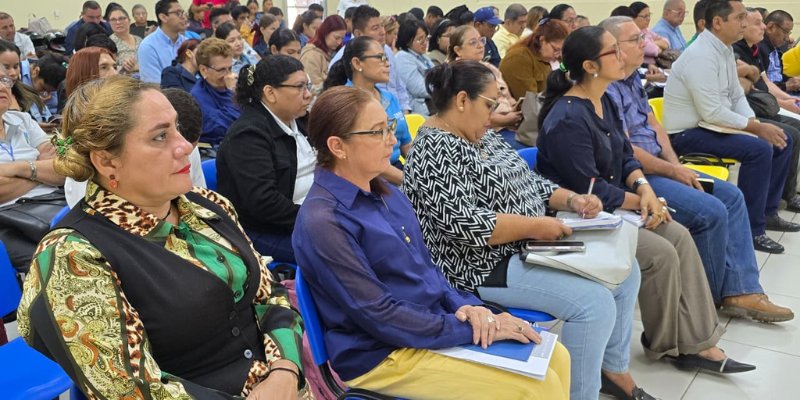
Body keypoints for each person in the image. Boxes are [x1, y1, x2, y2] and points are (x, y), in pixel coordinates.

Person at [18, 75, 309, 399]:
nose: (185, 145)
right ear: (106, 160)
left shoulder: (206, 206)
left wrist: (284, 369)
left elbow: (269, 295)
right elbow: (134, 388)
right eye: (160, 136)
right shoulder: (74, 257)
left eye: (177, 128)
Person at [294, 84, 570, 400]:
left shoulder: (386, 194)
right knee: (534, 388)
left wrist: (470, 307)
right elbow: (380, 316)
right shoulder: (324, 220)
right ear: (338, 146)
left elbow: (428, 273)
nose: (392, 141)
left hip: (427, 326)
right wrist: (469, 328)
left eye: (390, 128)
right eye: (377, 132)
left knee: (556, 356)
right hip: (383, 354)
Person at [401, 60, 644, 400]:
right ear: (460, 100)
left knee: (625, 273)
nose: (495, 113)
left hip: (523, 245)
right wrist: (537, 226)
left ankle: (611, 370)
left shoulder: (480, 135)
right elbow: (470, 226)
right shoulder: (434, 150)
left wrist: (572, 200)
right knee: (594, 305)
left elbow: (529, 181)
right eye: (489, 104)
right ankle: (579, 393)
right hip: (479, 265)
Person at [536, 24, 755, 384]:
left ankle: (699, 342)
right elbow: (587, 188)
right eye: (614, 51)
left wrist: (645, 189)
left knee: (679, 235)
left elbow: (624, 156)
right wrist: (639, 200)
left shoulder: (603, 99)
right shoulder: (567, 117)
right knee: (659, 253)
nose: (624, 56)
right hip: (579, 214)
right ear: (590, 66)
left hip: (615, 206)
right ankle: (667, 342)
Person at [603, 15, 794, 322]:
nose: (645, 44)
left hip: (663, 163)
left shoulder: (630, 81)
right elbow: (625, 150)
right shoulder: (606, 88)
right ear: (612, 48)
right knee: (712, 210)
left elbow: (654, 126)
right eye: (636, 40)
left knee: (731, 196)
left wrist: (676, 165)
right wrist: (672, 171)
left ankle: (741, 289)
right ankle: (711, 296)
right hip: (637, 176)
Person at [663, 0, 799, 253]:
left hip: (709, 125)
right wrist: (755, 129)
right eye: (739, 18)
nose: (745, 23)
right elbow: (711, 112)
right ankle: (751, 229)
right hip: (687, 133)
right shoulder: (701, 55)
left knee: (782, 140)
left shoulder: (723, 49)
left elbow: (736, 96)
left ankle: (768, 212)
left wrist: (755, 123)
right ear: (718, 22)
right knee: (759, 149)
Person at [217, 55, 313, 263]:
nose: (308, 95)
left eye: (308, 85)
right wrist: (318, 219)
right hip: (266, 231)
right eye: (299, 87)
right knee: (343, 253)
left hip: (308, 215)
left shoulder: (300, 120)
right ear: (270, 93)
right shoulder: (248, 135)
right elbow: (263, 203)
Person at [0, 64, 66, 273]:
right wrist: (40, 169)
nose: (2, 87)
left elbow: (63, 167)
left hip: (53, 203)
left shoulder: (22, 119)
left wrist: (17, 168)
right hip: (7, 219)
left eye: (4, 80)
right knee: (53, 264)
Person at [733, 8, 800, 213]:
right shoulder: (735, 50)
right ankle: (774, 200)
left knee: (794, 129)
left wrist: (787, 100)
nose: (762, 27)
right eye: (758, 23)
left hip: (759, 103)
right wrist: (783, 102)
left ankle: (784, 194)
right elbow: (745, 88)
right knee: (789, 135)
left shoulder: (753, 49)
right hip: (749, 108)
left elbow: (764, 82)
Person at [325, 36, 411, 186]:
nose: (387, 63)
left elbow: (406, 144)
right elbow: (364, 160)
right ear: (357, 63)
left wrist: (421, 173)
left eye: (386, 57)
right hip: (369, 178)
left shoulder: (389, 98)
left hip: (397, 171)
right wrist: (411, 181)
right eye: (380, 57)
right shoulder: (345, 103)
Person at [330, 5, 411, 113]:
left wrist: (405, 111)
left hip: (396, 112)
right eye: (375, 28)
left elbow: (399, 86)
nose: (383, 32)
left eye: (382, 26)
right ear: (358, 33)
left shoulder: (387, 50)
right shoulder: (343, 57)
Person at [447, 26, 522, 132]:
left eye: (481, 40)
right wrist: (506, 119)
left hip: (508, 123)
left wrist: (516, 108)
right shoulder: (458, 74)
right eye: (473, 43)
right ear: (458, 50)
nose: (480, 46)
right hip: (483, 131)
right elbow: (473, 114)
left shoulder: (489, 67)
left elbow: (507, 97)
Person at [500, 18, 569, 100]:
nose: (558, 55)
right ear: (542, 40)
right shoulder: (519, 58)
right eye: (556, 50)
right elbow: (530, 104)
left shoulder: (544, 59)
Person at [192, 38, 240, 150]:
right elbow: (222, 127)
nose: (228, 74)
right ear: (204, 70)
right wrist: (233, 93)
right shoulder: (197, 97)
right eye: (221, 70)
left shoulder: (236, 86)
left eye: (230, 68)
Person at [0, 40, 52, 126]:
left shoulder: (29, 92)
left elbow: (47, 116)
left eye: (16, 66)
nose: (13, 73)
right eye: (6, 67)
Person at [137, 0, 187, 83]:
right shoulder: (148, 46)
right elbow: (154, 86)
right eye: (178, 13)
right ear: (163, 17)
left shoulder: (186, 42)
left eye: (183, 12)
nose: (184, 17)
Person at [395, 19, 434, 116]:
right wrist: (445, 87)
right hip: (421, 111)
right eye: (419, 39)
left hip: (434, 104)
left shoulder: (423, 56)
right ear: (408, 41)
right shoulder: (402, 57)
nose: (424, 43)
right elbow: (419, 89)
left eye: (426, 38)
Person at [300, 15, 346, 93]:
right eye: (336, 38)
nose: (339, 42)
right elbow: (312, 88)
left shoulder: (337, 52)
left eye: (342, 38)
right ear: (325, 33)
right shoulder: (311, 55)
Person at [760, 11, 799, 92]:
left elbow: (778, 76)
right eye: (785, 32)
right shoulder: (758, 49)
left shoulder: (776, 49)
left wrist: (793, 81)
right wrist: (785, 86)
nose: (788, 38)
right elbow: (760, 86)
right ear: (771, 27)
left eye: (789, 33)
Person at [629, 2, 669, 66]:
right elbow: (654, 51)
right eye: (645, 16)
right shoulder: (634, 34)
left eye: (649, 15)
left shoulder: (646, 30)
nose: (648, 19)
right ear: (633, 17)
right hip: (643, 68)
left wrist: (651, 42)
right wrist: (656, 43)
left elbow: (667, 43)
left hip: (655, 66)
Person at [107, 7, 142, 74]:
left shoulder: (139, 40)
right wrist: (125, 67)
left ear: (129, 20)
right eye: (113, 20)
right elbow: (107, 69)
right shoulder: (108, 43)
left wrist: (138, 67)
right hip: (123, 82)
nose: (118, 22)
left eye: (121, 18)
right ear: (109, 23)